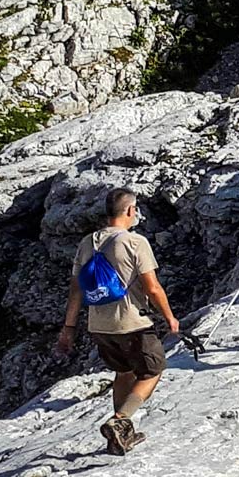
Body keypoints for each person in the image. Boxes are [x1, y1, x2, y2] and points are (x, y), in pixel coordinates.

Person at [53, 188, 183, 456]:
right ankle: (120, 420)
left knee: (123, 372)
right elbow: (152, 287)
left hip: (99, 325)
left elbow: (76, 289)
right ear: (130, 211)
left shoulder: (87, 243)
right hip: (132, 322)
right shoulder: (135, 242)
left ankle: (119, 437)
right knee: (152, 370)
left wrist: (69, 328)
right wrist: (170, 317)